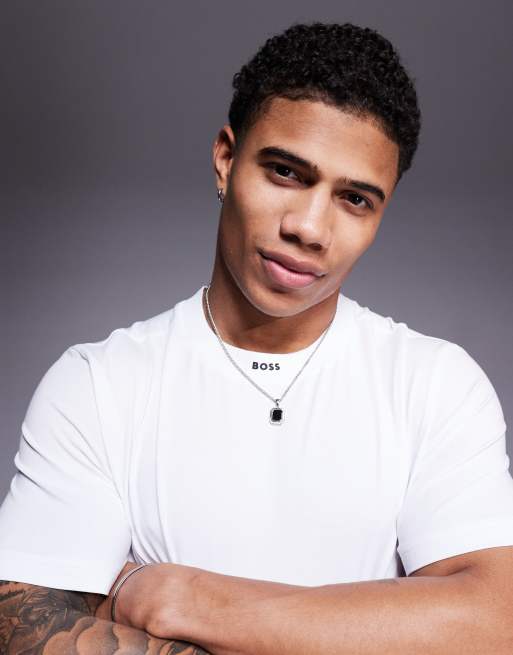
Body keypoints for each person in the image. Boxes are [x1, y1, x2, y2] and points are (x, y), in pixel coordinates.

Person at [1, 20, 513, 655]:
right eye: (286, 172)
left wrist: (185, 597)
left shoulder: (435, 384)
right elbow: (25, 628)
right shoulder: (97, 385)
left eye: (355, 199)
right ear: (226, 158)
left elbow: (496, 621)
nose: (309, 228)